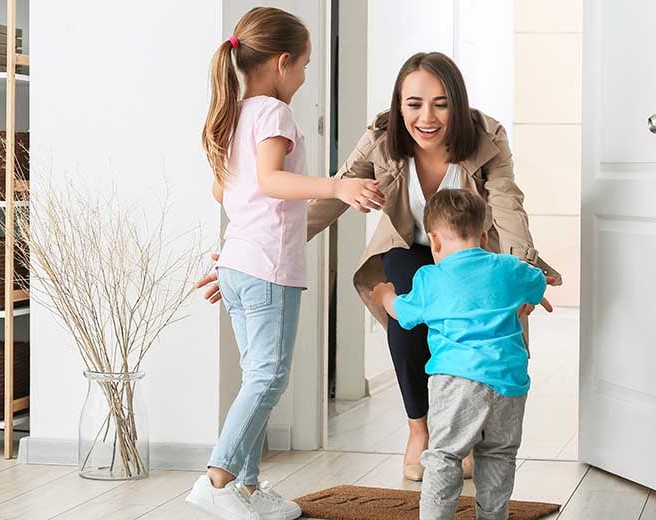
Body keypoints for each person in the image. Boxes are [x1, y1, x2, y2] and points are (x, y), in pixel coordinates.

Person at [197, 51, 560, 482]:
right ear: (398, 104)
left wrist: (522, 270)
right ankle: (419, 429)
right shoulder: (381, 139)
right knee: (405, 312)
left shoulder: (487, 138)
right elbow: (331, 199)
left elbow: (507, 203)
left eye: (441, 104)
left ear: (458, 105)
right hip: (407, 243)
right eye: (414, 104)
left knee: (473, 331)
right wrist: (249, 257)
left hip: (470, 249)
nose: (427, 117)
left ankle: (464, 432)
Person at [185, 7, 383, 520]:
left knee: (257, 375)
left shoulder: (231, 113)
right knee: (269, 378)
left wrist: (237, 251)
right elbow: (271, 181)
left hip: (238, 264)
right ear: (281, 61)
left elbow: (222, 188)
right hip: (268, 268)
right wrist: (338, 185)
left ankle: (246, 488)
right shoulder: (273, 113)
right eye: (304, 67)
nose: (303, 78)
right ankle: (218, 478)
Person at [371, 188, 548, 520]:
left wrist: (384, 294)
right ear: (483, 235)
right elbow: (537, 282)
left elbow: (405, 315)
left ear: (434, 242)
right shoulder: (509, 268)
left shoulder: (430, 277)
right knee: (498, 456)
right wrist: (530, 294)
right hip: (509, 383)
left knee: (444, 457)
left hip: (457, 381)